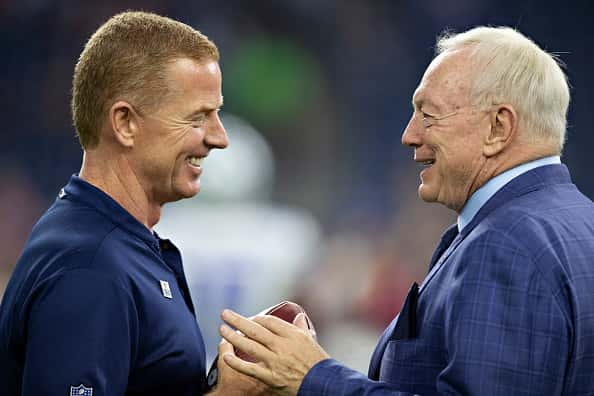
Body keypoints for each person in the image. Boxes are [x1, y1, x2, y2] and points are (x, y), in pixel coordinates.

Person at [218, 26, 594, 395]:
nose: (410, 135)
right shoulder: (581, 222)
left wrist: (314, 376)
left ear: (499, 127)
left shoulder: (505, 244)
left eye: (429, 115)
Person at [0, 11, 265, 396]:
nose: (219, 138)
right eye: (198, 117)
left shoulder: (114, 245)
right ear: (124, 123)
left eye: (217, 114)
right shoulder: (90, 266)